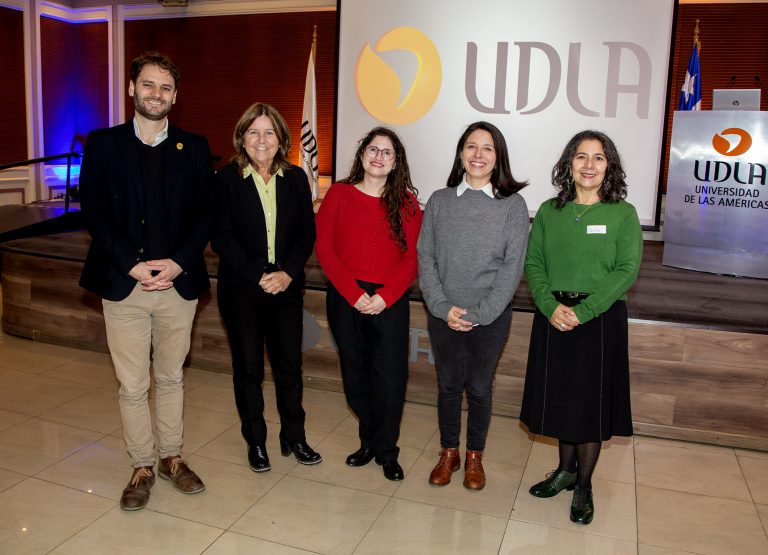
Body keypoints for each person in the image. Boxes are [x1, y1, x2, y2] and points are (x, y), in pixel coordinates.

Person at [79, 52, 213, 510]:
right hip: (125, 283)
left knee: (172, 376)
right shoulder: (102, 144)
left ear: (176, 96)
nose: (157, 94)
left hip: (178, 284)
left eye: (166, 87)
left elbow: (204, 215)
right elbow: (93, 211)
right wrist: (133, 263)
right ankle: (141, 465)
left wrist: (177, 262)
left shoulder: (194, 148)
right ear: (132, 88)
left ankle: (172, 458)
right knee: (133, 384)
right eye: (149, 85)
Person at [520, 130, 643, 525]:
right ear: (568, 163)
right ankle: (565, 471)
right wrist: (548, 305)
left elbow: (627, 270)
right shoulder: (548, 210)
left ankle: (584, 485)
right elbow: (534, 264)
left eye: (598, 158)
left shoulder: (622, 214)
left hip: (599, 320)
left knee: (589, 406)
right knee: (560, 399)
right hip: (553, 314)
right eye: (581, 157)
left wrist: (585, 310)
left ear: (609, 167)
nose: (589, 165)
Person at [417, 121, 529, 491]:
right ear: (461, 153)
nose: (478, 155)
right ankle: (448, 451)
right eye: (471, 146)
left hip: (490, 317)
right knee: (448, 384)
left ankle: (474, 457)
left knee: (480, 387)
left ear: (498, 158)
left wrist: (480, 314)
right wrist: (440, 305)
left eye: (487, 148)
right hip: (443, 313)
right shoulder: (439, 201)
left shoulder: (512, 206)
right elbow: (426, 258)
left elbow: (512, 268)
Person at [211, 102, 321, 474]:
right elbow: (221, 237)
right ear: (242, 137)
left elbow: (307, 232)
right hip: (243, 288)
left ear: (281, 139)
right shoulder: (225, 178)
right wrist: (259, 273)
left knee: (290, 367)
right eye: (254, 132)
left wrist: (287, 272)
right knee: (249, 370)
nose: (261, 139)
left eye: (269, 132)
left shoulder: (294, 179)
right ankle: (255, 441)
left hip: (286, 287)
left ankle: (295, 436)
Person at [315, 127, 422, 481]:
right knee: (356, 374)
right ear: (362, 155)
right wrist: (354, 293)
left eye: (387, 152)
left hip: (388, 300)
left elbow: (411, 260)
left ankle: (387, 452)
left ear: (396, 162)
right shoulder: (339, 195)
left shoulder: (406, 204)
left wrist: (384, 297)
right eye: (373, 150)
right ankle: (369, 442)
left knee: (390, 379)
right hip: (346, 298)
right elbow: (325, 250)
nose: (378, 157)